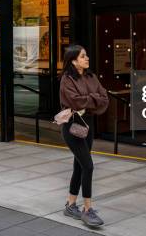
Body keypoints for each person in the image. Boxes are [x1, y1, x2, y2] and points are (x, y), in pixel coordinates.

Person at [59, 45, 109, 228]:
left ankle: (71, 205)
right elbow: (74, 101)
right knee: (88, 166)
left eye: (86, 55)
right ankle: (88, 209)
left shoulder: (91, 76)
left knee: (80, 166)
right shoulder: (67, 79)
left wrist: (88, 101)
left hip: (88, 124)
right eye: (83, 56)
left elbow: (104, 98)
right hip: (72, 126)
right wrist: (92, 99)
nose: (87, 58)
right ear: (73, 60)